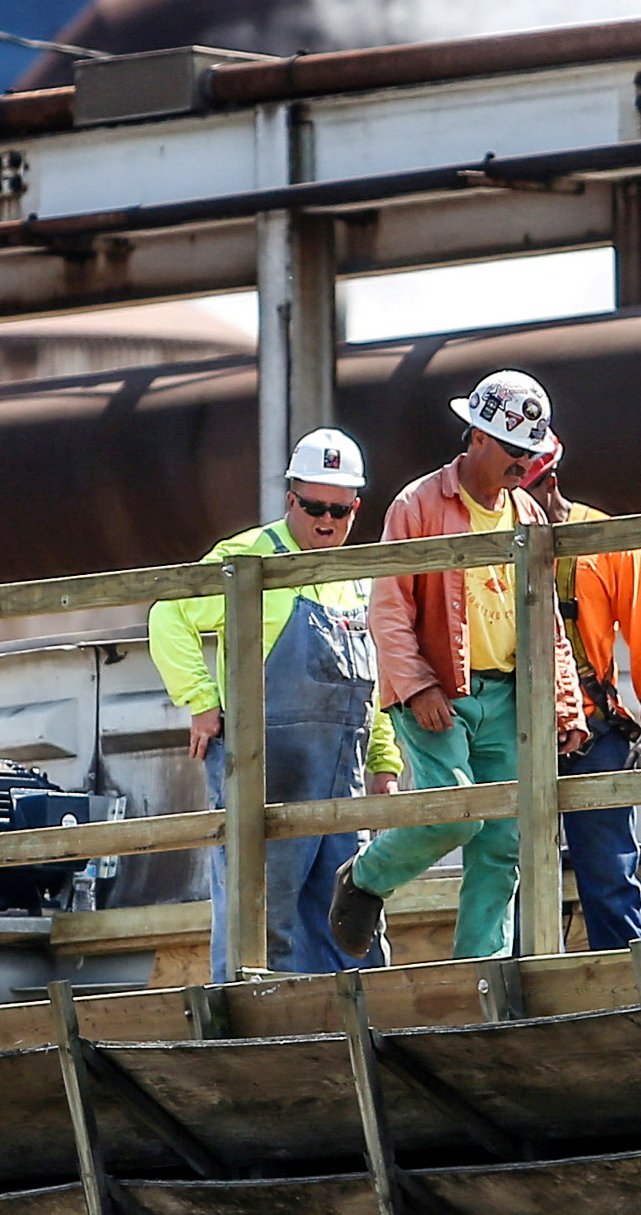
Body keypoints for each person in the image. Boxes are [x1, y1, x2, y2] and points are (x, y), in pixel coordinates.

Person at [329, 370, 587, 962]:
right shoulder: (418, 504)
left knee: (503, 840)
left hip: (507, 695)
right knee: (453, 812)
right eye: (513, 449)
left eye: (530, 452)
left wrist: (565, 704)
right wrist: (418, 687)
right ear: (476, 438)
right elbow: (389, 608)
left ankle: (483, 972)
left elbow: (546, 620)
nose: (523, 463)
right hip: (437, 689)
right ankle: (366, 878)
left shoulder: (529, 516)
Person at [149, 428, 401, 979]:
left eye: (340, 509)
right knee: (262, 917)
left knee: (351, 912)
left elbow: (373, 680)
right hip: (267, 773)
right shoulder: (247, 560)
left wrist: (385, 760)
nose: (326, 520)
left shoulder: (353, 580)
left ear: (356, 508)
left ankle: (356, 1026)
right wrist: (200, 701)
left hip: (343, 780)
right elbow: (169, 613)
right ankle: (254, 1033)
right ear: (291, 499)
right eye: (313, 506)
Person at [522, 441, 641, 950]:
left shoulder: (606, 541)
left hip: (593, 733)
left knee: (610, 877)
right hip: (514, 733)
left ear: (548, 483)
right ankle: (521, 1009)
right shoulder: (493, 543)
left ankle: (631, 998)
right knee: (515, 881)